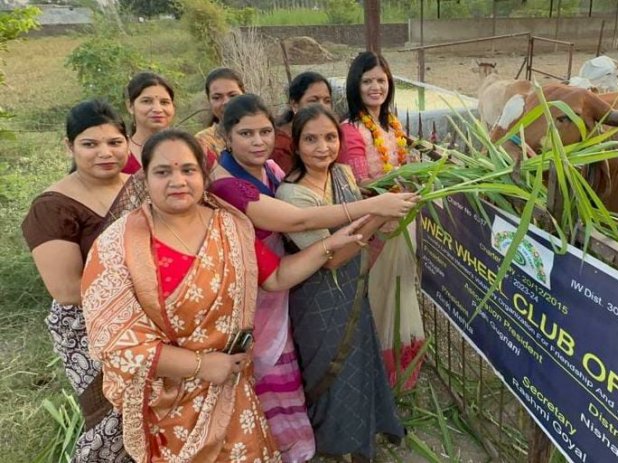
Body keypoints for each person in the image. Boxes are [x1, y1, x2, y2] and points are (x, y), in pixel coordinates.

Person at [81, 129, 368, 462]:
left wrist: (330, 244)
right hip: (168, 405)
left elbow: (275, 277)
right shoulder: (119, 245)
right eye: (163, 171)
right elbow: (116, 341)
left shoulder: (230, 226)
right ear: (145, 178)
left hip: (234, 392)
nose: (177, 180)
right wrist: (201, 365)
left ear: (204, 175)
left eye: (188, 170)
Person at [208, 93, 417, 462]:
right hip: (265, 292)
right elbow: (299, 223)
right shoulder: (231, 185)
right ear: (226, 137)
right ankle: (284, 449)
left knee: (318, 368)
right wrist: (375, 210)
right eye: (246, 134)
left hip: (292, 282)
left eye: (265, 132)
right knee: (278, 378)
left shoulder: (273, 170)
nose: (258, 141)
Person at [276, 104, 404, 461]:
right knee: (330, 375)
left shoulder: (344, 174)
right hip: (319, 303)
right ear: (297, 146)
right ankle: (332, 447)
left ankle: (362, 438)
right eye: (311, 139)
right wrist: (380, 212)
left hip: (353, 292)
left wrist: (388, 201)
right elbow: (332, 258)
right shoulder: (292, 196)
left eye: (330, 137)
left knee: (359, 365)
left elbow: (362, 213)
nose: (323, 147)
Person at [21, 99, 133, 462]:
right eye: (90, 144)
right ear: (69, 147)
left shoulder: (144, 186)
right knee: (113, 420)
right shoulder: (53, 207)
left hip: (155, 317)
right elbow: (67, 289)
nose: (105, 153)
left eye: (115, 142)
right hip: (90, 327)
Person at [338, 51, 426, 390]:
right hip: (376, 225)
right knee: (377, 295)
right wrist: (394, 196)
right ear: (355, 86)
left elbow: (400, 168)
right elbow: (362, 184)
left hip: (402, 219)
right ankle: (374, 373)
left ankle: (401, 373)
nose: (375, 87)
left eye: (381, 80)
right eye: (367, 81)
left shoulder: (393, 125)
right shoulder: (350, 130)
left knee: (402, 288)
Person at [273, 71, 334, 173]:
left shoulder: (332, 135)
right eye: (313, 100)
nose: (321, 107)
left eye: (327, 101)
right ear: (294, 105)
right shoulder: (280, 145)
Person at [123, 72, 176, 174]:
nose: (157, 109)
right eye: (147, 101)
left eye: (164, 102)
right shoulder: (118, 153)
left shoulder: (191, 149)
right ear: (130, 106)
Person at [195, 67, 245, 163]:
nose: (226, 102)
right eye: (217, 97)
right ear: (209, 101)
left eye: (233, 95)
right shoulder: (203, 142)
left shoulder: (263, 131)